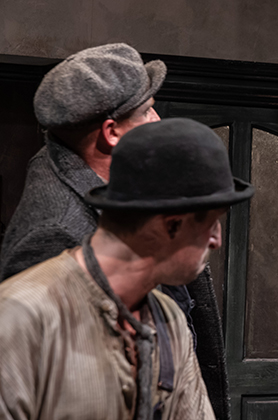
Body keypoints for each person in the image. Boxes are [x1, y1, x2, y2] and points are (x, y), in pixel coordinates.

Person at [0, 44, 231, 419]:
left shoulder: (138, 184)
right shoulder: (52, 231)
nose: (156, 120)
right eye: (146, 110)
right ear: (111, 132)